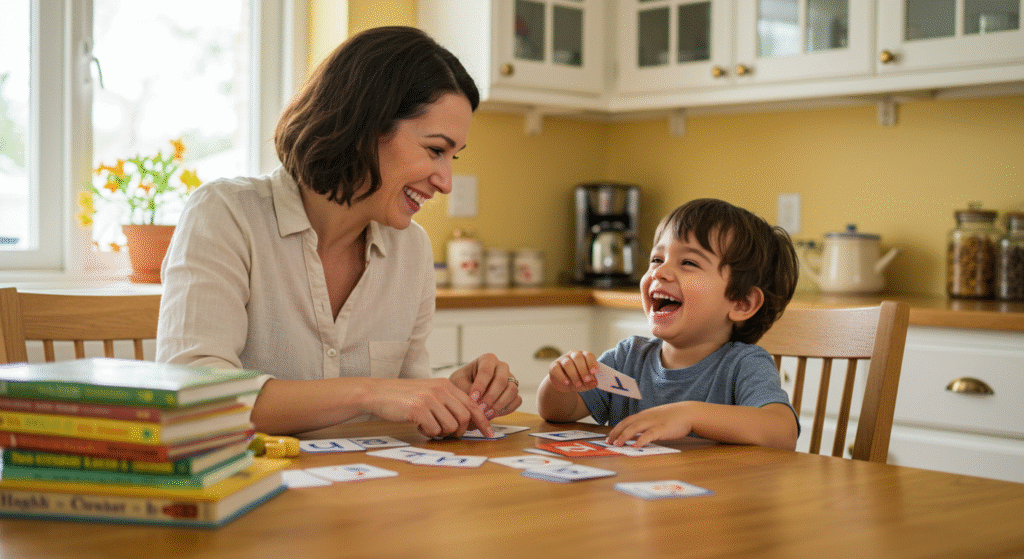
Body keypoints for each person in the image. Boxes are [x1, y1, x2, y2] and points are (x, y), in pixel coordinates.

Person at [157, 26, 520, 438]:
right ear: (365, 126)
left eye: (453, 156)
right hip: (250, 490)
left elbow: (399, 407)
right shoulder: (226, 215)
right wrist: (368, 393)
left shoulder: (412, 249)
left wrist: (449, 398)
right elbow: (193, 395)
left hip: (363, 494)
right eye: (436, 150)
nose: (446, 181)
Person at [537, 198, 800, 450]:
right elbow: (558, 412)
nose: (659, 272)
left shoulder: (744, 364)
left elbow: (782, 431)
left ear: (741, 303)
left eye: (688, 262)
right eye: (657, 259)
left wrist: (689, 414)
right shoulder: (628, 357)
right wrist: (561, 384)